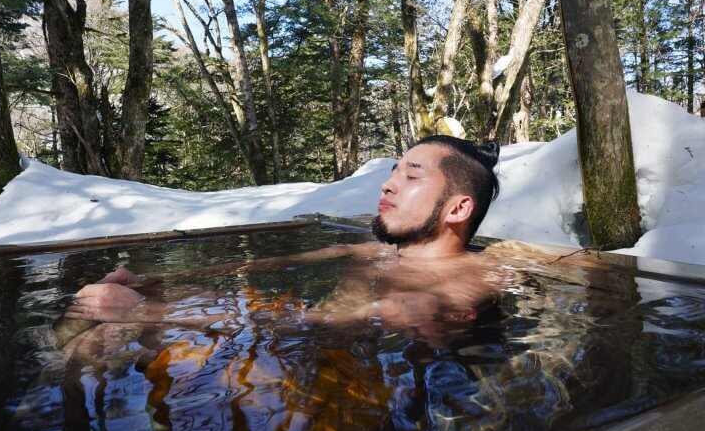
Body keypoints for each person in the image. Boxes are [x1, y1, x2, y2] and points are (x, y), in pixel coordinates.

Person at [63, 135, 502, 339]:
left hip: (336, 364)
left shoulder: (452, 288)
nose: (387, 184)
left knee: (99, 333)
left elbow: (330, 324)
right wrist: (153, 282)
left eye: (412, 175)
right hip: (304, 337)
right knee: (97, 322)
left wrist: (150, 312)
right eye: (392, 171)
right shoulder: (378, 253)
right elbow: (256, 265)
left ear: (458, 209)